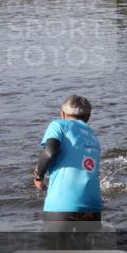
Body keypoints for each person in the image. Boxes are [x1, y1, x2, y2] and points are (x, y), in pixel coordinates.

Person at [33, 95, 103, 229]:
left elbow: (50, 152)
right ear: (88, 117)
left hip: (62, 206)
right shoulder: (93, 135)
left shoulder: (58, 124)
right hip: (92, 208)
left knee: (57, 249)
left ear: (62, 114)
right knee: (86, 249)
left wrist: (38, 176)